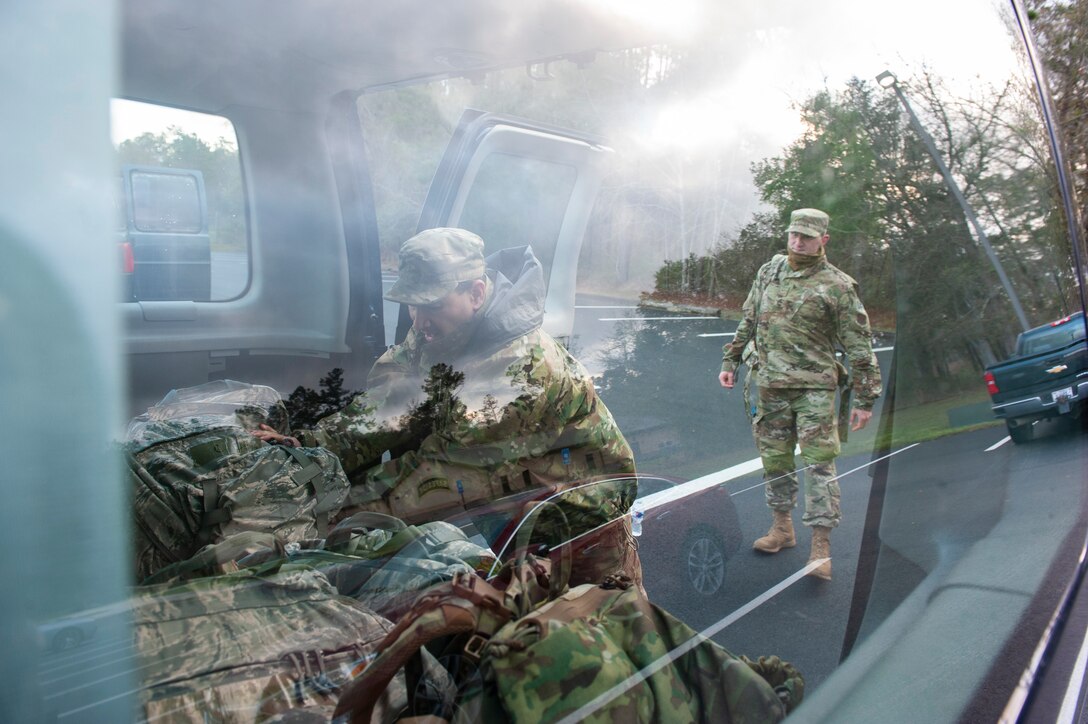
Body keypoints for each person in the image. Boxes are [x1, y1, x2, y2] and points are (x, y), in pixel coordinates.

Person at [254, 227, 642, 589]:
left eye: (432, 305)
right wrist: (304, 450)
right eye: (411, 306)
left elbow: (436, 478)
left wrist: (320, 515)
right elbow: (387, 407)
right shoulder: (437, 331)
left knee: (589, 643)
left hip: (580, 535)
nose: (420, 321)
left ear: (475, 293)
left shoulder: (519, 369)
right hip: (513, 516)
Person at [718, 209, 882, 581]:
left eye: (807, 237)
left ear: (823, 240)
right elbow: (749, 317)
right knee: (775, 462)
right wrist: (731, 359)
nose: (798, 242)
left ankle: (820, 549)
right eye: (794, 235)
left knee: (820, 466)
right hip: (769, 386)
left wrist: (865, 398)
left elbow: (859, 346)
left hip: (814, 390)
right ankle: (782, 529)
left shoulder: (837, 285)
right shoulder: (768, 271)